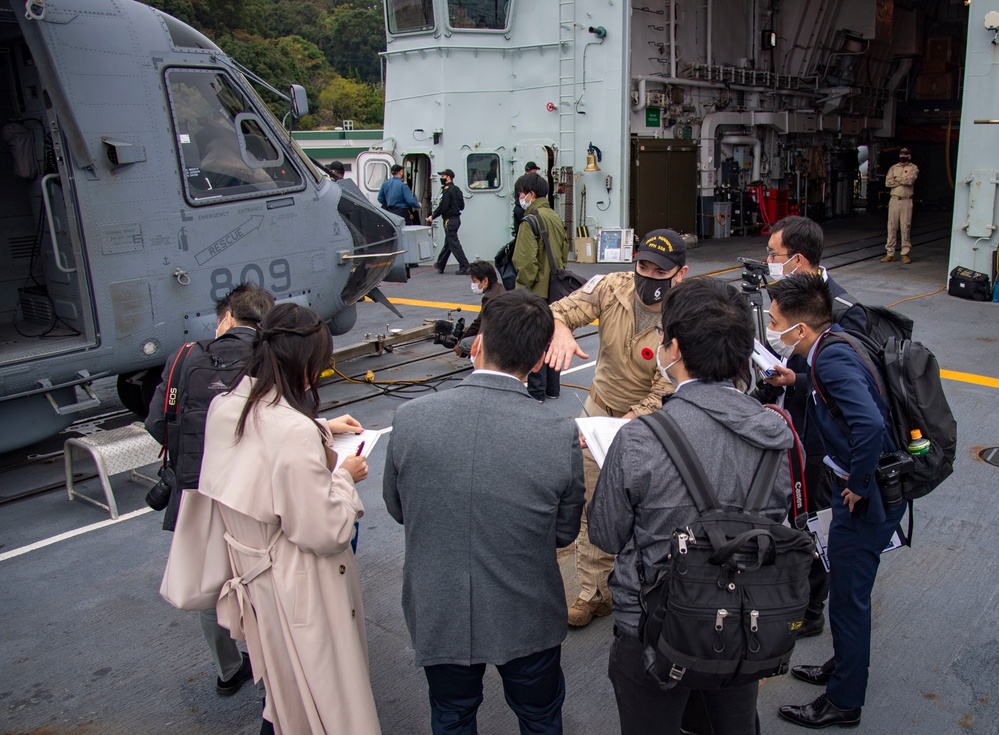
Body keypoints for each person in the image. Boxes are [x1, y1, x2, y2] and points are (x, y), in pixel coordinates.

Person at [589, 278, 795, 735]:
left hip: (653, 630)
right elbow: (777, 521)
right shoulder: (775, 436)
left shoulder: (641, 438)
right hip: (743, 624)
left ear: (675, 348)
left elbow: (604, 534)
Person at [383, 289, 585, 735]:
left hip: (440, 607)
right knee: (539, 716)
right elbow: (565, 531)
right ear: (537, 363)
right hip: (527, 611)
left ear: (477, 345)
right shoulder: (557, 431)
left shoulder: (411, 417)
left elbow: (399, 509)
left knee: (452, 714)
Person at [198, 303, 381, 734]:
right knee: (325, 699)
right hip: (300, 584)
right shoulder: (293, 431)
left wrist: (321, 426)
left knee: (283, 696)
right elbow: (326, 530)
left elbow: (263, 444)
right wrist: (343, 477)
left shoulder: (226, 404)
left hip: (254, 576)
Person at [767, 274, 906, 730]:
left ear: (800, 330)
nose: (771, 328)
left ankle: (844, 701)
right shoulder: (836, 343)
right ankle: (843, 666)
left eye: (775, 322)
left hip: (867, 497)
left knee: (848, 599)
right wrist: (800, 377)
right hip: (874, 487)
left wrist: (859, 485)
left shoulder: (831, 360)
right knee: (849, 591)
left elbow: (866, 424)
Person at [545, 229, 686, 626]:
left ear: (680, 273)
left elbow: (667, 387)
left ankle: (651, 589)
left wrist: (626, 425)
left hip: (651, 427)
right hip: (599, 413)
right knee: (592, 505)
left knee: (650, 512)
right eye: (642, 265)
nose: (648, 276)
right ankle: (593, 592)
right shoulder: (611, 287)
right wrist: (560, 327)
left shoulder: (685, 315)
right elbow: (561, 308)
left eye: (660, 270)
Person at [145, 283, 276, 698]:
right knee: (259, 575)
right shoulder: (271, 357)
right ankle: (270, 667)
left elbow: (156, 422)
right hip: (251, 489)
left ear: (226, 317)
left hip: (194, 488)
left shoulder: (185, 357)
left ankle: (228, 670)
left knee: (209, 585)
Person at [762, 215, 866, 638]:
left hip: (822, 440)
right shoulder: (787, 296)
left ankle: (811, 608)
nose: (768, 260)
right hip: (792, 426)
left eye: (774, 254)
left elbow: (853, 379)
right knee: (795, 514)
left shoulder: (844, 311)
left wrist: (797, 381)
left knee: (816, 518)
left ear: (798, 258)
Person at [511, 172, 569, 402]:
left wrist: (520, 294)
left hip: (536, 292)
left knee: (533, 341)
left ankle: (536, 392)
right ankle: (552, 389)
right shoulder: (554, 217)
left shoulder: (530, 221)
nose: (520, 198)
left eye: (521, 194)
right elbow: (564, 252)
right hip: (556, 290)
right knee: (552, 337)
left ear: (531, 194)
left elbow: (526, 264)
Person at [454, 260, 506, 358]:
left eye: (474, 281)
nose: (473, 285)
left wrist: (460, 342)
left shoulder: (489, 298)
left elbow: (479, 323)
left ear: (485, 281)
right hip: (511, 335)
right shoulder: (501, 289)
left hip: (503, 340)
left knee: (466, 344)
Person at [881, 147, 918, 264]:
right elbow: (888, 183)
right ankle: (890, 253)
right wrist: (902, 180)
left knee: (905, 226)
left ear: (909, 156)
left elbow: (910, 181)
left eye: (905, 154)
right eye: (901, 154)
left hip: (906, 200)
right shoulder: (893, 168)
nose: (903, 156)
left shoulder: (913, 168)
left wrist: (897, 179)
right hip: (894, 200)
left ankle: (905, 253)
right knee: (891, 226)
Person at [429, 168, 468, 274]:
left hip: (449, 220)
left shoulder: (446, 190)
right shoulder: (457, 189)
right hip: (456, 219)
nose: (441, 178)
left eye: (443, 176)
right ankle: (440, 264)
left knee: (454, 243)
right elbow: (461, 206)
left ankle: (465, 266)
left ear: (448, 177)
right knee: (449, 243)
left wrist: (433, 216)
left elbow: (443, 206)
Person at [512, 161, 541, 236]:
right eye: (535, 170)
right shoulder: (533, 181)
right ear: (532, 170)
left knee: (519, 234)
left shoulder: (520, 180)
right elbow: (523, 196)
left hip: (518, 210)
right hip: (527, 211)